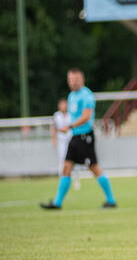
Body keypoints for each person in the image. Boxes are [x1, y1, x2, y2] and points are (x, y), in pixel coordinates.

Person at [41, 68, 117, 209]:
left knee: (94, 168)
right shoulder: (71, 96)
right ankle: (57, 203)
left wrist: (70, 126)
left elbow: (86, 116)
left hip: (85, 136)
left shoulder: (87, 95)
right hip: (75, 137)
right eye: (70, 79)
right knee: (66, 168)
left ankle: (111, 200)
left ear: (82, 79)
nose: (72, 82)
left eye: (75, 79)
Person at [51, 99, 80, 190]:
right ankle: (63, 180)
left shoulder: (71, 115)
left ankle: (76, 177)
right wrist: (54, 140)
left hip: (71, 139)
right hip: (62, 141)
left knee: (74, 160)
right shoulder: (56, 116)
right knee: (62, 160)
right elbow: (54, 128)